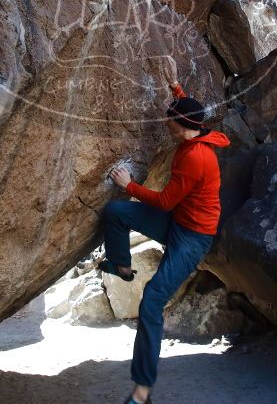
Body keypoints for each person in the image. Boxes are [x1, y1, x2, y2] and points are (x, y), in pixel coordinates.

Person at [99, 57, 230, 404]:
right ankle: (122, 267)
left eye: (169, 119)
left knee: (152, 301)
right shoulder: (194, 131)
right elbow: (187, 110)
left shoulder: (195, 157)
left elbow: (165, 201)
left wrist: (129, 185)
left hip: (192, 237)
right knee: (115, 213)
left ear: (181, 127)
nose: (165, 122)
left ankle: (142, 392)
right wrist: (174, 87)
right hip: (179, 222)